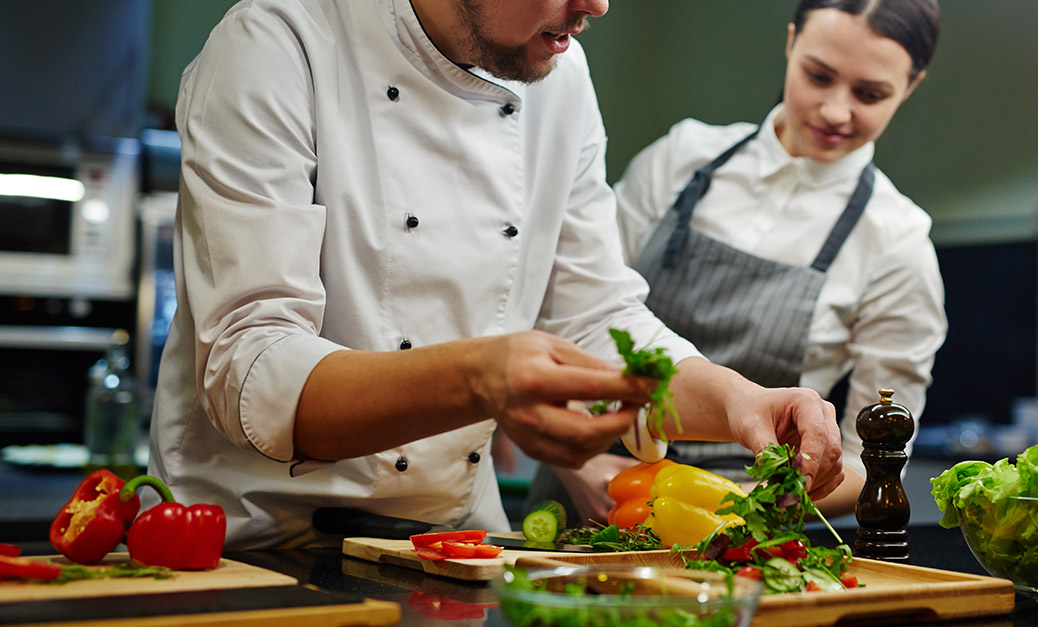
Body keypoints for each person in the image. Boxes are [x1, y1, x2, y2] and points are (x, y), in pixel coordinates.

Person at [148, 0, 846, 550]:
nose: (596, 5)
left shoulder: (561, 75)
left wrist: (735, 401)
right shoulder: (277, 46)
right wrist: (483, 376)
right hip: (251, 543)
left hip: (451, 543)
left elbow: (598, 315)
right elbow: (251, 367)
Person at [535, 0, 947, 524]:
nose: (836, 111)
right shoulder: (681, 159)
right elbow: (571, 313)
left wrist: (732, 511)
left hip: (734, 527)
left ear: (910, 87)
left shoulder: (899, 242)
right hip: (586, 484)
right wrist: (582, 464)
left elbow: (873, 463)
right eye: (818, 77)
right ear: (791, 42)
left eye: (870, 94)